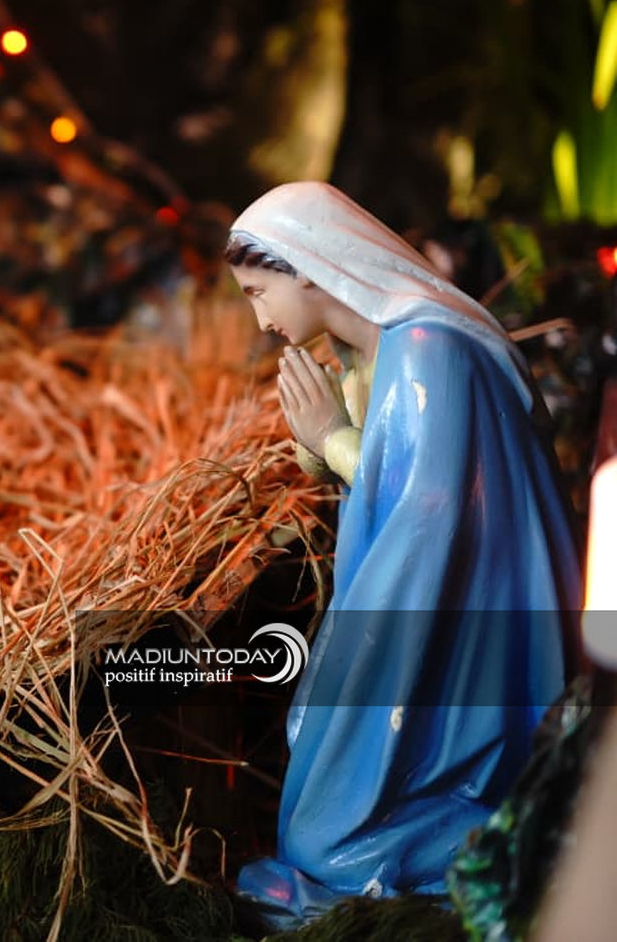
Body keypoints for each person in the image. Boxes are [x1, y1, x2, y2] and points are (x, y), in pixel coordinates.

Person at [224, 181, 582, 929]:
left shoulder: (426, 347)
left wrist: (333, 438)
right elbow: (387, 478)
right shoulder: (371, 351)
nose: (261, 319)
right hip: (411, 613)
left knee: (324, 843)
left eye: (260, 292)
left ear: (308, 269)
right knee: (317, 789)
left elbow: (429, 506)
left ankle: (506, 845)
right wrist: (322, 444)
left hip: (459, 637)